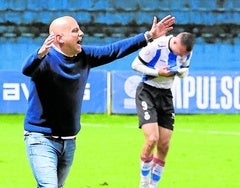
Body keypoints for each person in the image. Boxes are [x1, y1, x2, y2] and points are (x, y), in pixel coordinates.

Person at [22, 15, 175, 187]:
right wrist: (39, 54)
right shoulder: (44, 60)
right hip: (41, 139)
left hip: (69, 140)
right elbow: (27, 69)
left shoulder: (84, 56)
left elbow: (113, 50)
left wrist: (149, 36)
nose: (81, 33)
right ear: (59, 38)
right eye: (75, 31)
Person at [131, 32, 195, 188]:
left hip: (166, 95)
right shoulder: (156, 46)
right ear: (175, 43)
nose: (181, 55)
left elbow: (184, 70)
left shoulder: (187, 51)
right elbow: (135, 65)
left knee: (164, 144)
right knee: (152, 139)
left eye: (184, 54)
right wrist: (157, 72)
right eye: (180, 52)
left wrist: (180, 72)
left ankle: (153, 185)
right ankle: (144, 182)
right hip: (147, 92)